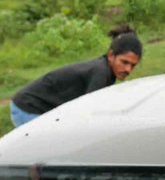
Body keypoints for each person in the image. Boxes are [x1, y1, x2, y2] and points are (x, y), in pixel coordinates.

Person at [8, 25, 142, 127]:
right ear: (111, 55)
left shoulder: (106, 70)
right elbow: (90, 114)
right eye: (124, 62)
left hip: (37, 108)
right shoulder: (100, 73)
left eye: (133, 65)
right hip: (28, 108)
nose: (128, 69)